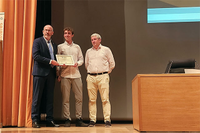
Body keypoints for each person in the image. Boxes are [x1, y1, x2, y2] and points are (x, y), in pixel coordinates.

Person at [57, 27, 88, 127]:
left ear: (72, 35)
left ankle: (79, 119)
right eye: (65, 33)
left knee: (79, 98)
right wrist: (58, 73)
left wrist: (77, 64)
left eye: (69, 33)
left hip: (76, 75)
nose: (67, 35)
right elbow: (58, 62)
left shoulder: (77, 47)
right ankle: (67, 119)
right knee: (66, 98)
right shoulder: (60, 47)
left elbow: (81, 59)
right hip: (65, 75)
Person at [32, 25, 60, 128]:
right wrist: (50, 61)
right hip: (39, 73)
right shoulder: (37, 41)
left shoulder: (54, 44)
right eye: (46, 30)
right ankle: (35, 119)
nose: (47, 32)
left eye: (49, 31)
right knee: (37, 97)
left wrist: (59, 68)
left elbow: (56, 58)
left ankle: (49, 119)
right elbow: (35, 56)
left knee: (50, 98)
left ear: (53, 32)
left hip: (51, 74)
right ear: (43, 31)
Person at [85, 33, 115, 127]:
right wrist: (92, 72)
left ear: (99, 40)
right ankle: (92, 120)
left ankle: (107, 120)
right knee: (92, 100)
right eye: (92, 40)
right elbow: (86, 64)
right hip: (91, 77)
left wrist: (106, 72)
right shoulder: (88, 51)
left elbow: (112, 63)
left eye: (95, 39)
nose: (93, 41)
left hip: (103, 76)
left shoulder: (106, 50)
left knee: (105, 99)